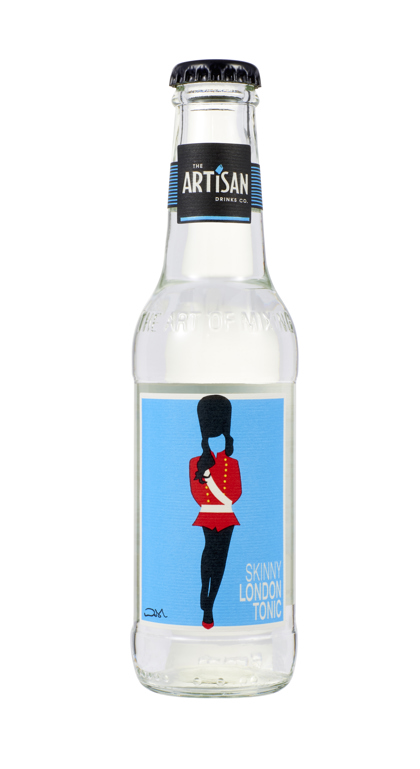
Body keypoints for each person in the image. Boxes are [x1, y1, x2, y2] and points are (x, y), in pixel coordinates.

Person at [189, 395, 242, 629]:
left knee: (221, 560)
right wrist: (210, 484)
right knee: (210, 552)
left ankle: (209, 604)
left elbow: (234, 495)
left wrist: (210, 482)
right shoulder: (196, 463)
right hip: (208, 514)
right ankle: (204, 589)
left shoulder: (233, 464)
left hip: (227, 516)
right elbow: (197, 495)